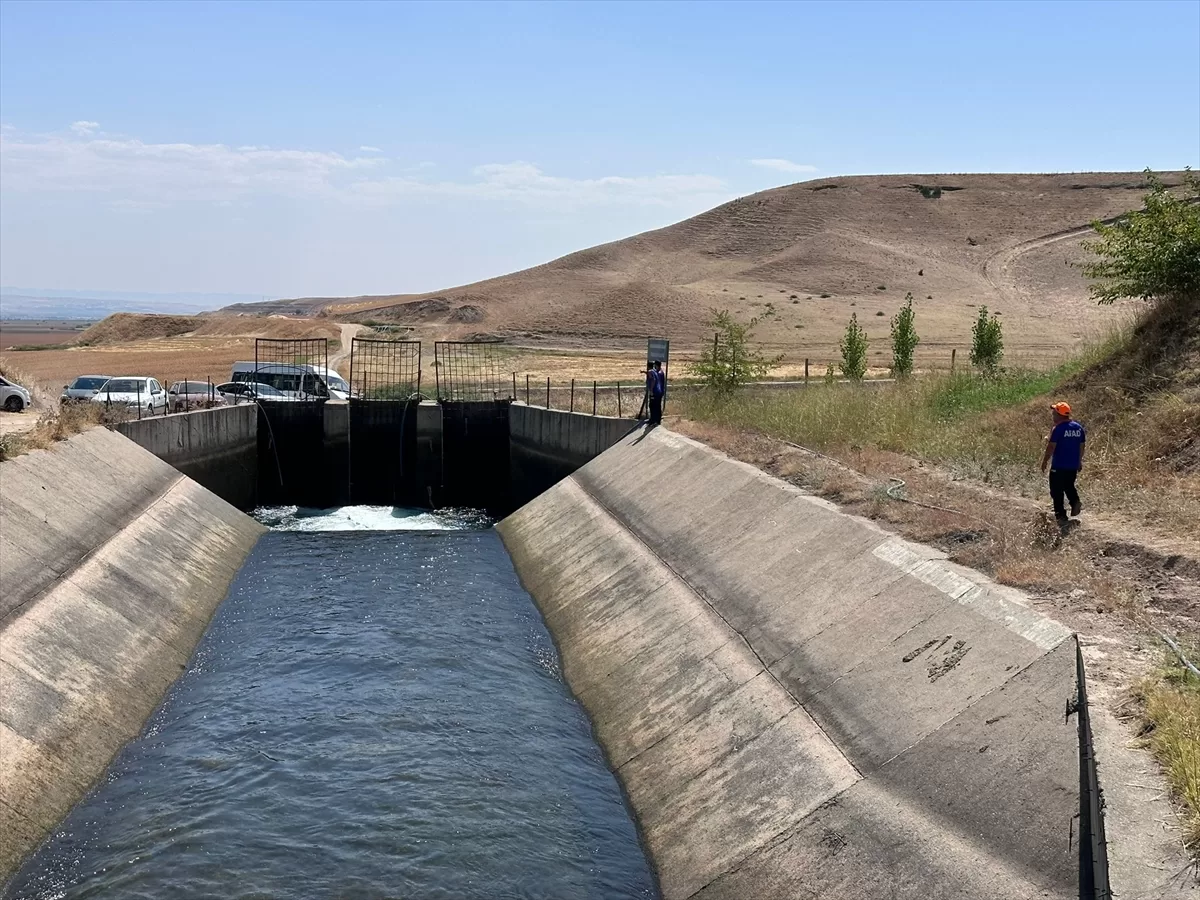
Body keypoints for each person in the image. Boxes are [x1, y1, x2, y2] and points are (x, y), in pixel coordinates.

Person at [1040, 401, 1086, 534]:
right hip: (1072, 465)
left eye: (1054, 412)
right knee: (1069, 485)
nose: (1052, 414)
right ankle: (1075, 502)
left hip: (1059, 465)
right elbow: (1082, 446)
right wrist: (1079, 461)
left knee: (1056, 491)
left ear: (1059, 414)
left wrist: (1044, 461)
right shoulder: (1078, 428)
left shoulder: (1058, 429)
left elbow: (1051, 447)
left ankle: (1061, 516)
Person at [647, 360, 665, 425]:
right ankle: (656, 420)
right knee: (656, 406)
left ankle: (655, 420)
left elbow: (654, 381)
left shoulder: (659, 373)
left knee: (655, 406)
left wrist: (651, 390)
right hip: (659, 391)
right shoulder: (659, 372)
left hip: (657, 392)